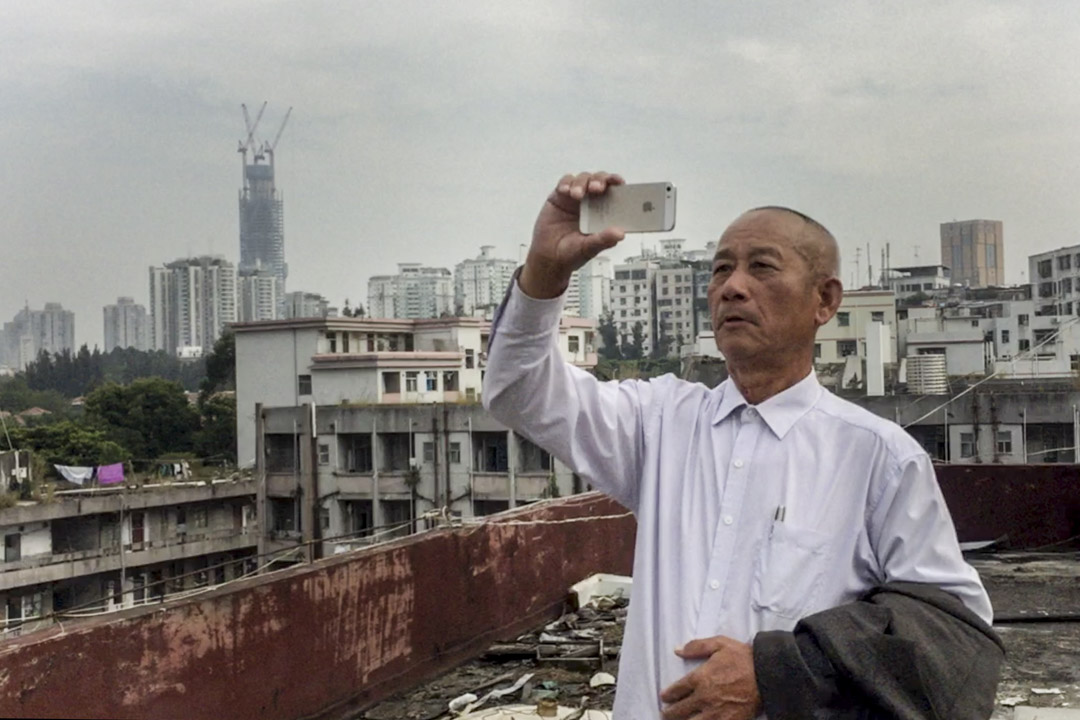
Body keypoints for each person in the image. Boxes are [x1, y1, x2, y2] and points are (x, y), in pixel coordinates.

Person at [483, 172, 1002, 719]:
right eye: (721, 269)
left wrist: (783, 670)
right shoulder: (659, 423)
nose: (732, 286)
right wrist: (547, 264)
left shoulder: (878, 457)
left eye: (762, 266)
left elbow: (953, 630)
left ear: (824, 300)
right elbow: (519, 389)